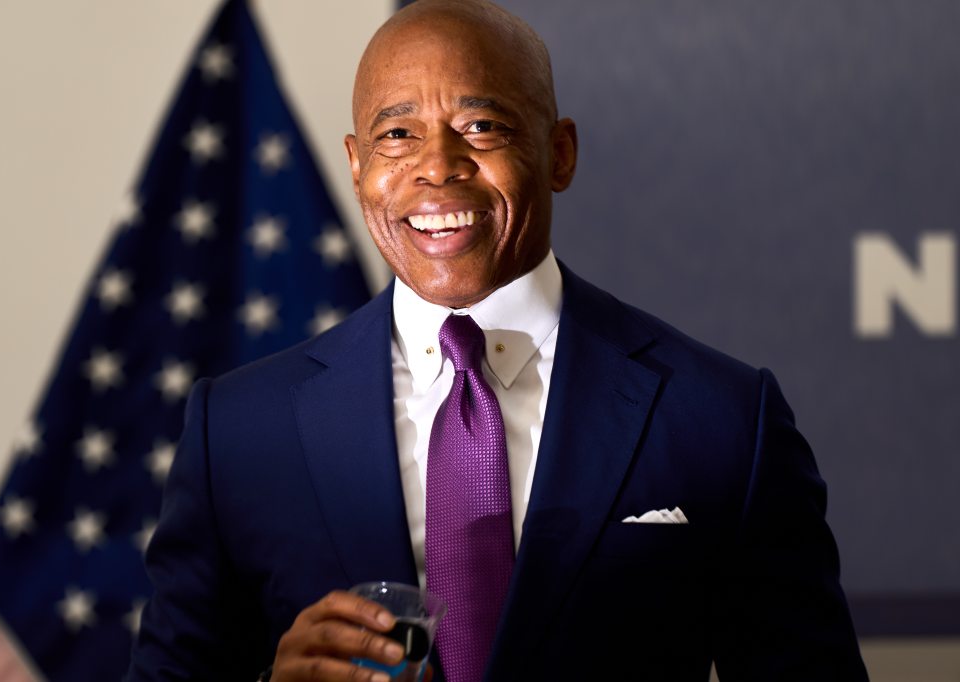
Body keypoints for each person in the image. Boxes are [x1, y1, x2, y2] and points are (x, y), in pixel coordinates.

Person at [127, 1, 869, 680]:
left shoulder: (722, 420)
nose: (438, 165)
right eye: (397, 134)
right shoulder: (238, 431)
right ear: (358, 168)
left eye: (481, 127)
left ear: (559, 153)